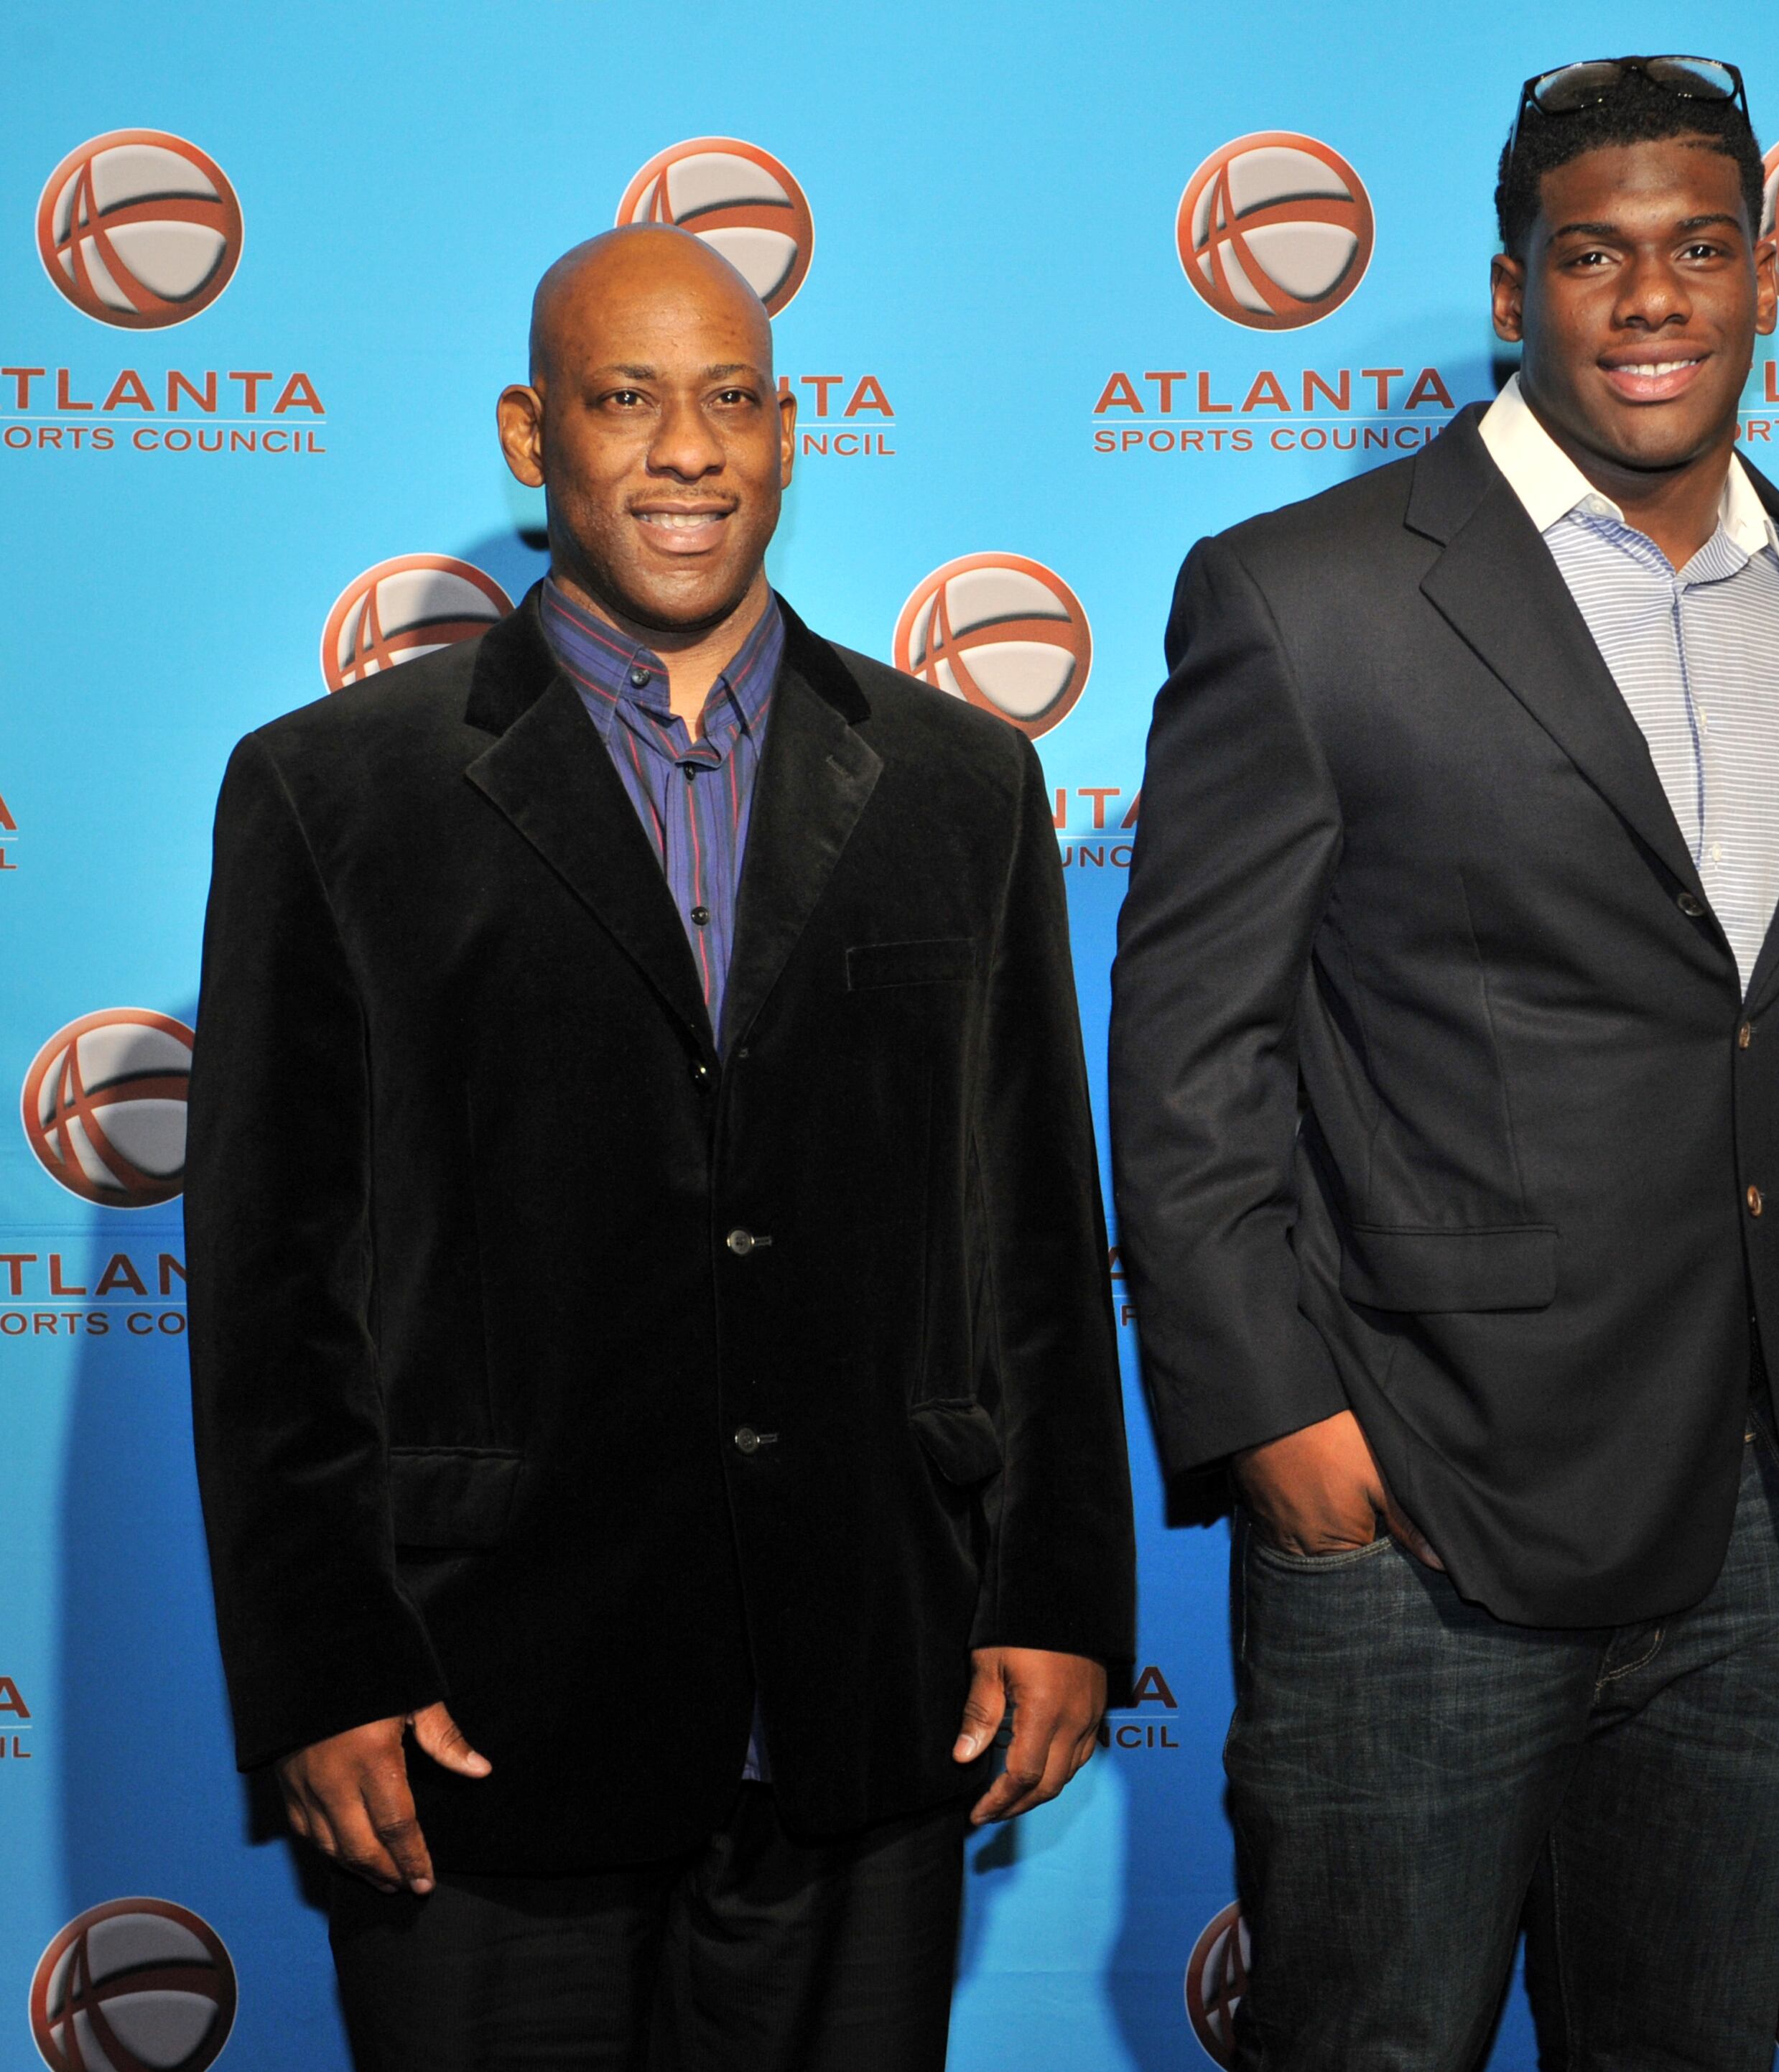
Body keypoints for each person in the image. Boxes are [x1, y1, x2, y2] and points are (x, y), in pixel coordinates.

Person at [186, 225, 1133, 2072]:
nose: (686, 449)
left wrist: (1056, 1597)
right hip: (481, 1713)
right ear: (532, 431)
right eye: (628, 399)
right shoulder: (331, 790)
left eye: (732, 401)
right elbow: (268, 1278)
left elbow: (1029, 1220)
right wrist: (326, 1668)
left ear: (789, 437)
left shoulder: (961, 783)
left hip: (869, 1697)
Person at [1111, 55, 1779, 2071]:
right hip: (1424, 1509)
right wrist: (1273, 1413)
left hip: (1762, 1511)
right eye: (1597, 255)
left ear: (1766, 279)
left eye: (1702, 247)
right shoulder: (1306, 592)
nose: (1655, 299)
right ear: (1511, 289)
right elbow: (1191, 1054)